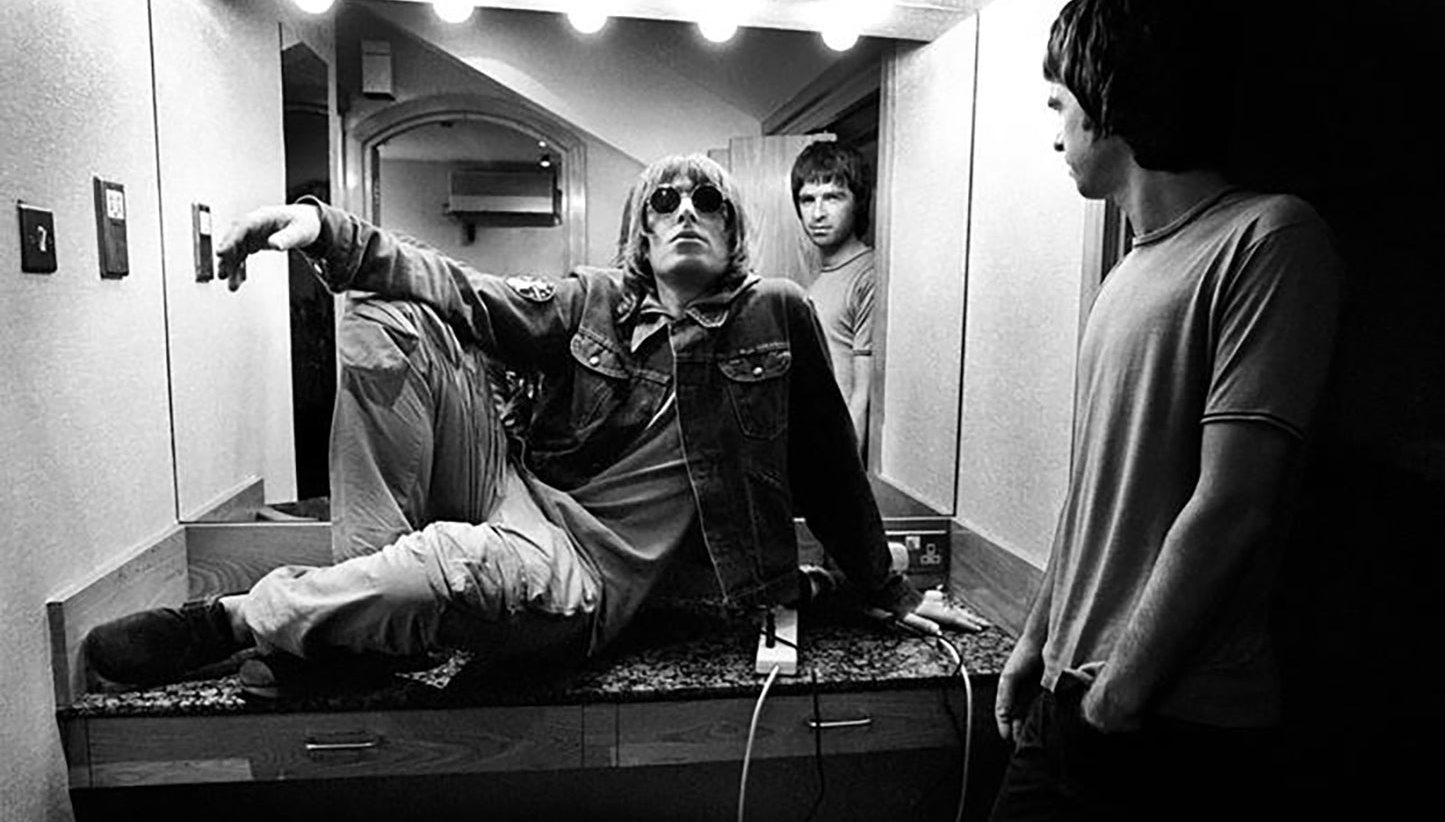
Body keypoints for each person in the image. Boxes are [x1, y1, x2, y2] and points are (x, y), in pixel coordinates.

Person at [84, 153, 974, 698]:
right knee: (386, 307)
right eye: (665, 203)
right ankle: (358, 625)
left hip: (581, 569)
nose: (686, 214)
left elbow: (828, 465)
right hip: (508, 484)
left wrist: (885, 586)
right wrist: (325, 229)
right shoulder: (592, 300)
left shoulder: (773, 312)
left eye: (707, 203)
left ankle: (237, 619)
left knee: (441, 566)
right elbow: (463, 292)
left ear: (735, 233)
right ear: (638, 232)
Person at [966, 0, 1341, 822]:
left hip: (1169, 723)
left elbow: (1232, 505)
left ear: (1109, 98)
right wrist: (1032, 646)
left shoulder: (1268, 239)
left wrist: (1118, 699)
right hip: (1071, 699)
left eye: (1059, 103)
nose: (1053, 132)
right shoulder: (1126, 273)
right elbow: (1095, 494)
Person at [790, 141, 876, 451]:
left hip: (839, 462)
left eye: (833, 197)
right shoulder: (818, 283)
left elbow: (864, 394)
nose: (818, 213)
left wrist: (844, 481)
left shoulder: (870, 274)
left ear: (858, 202)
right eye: (807, 199)